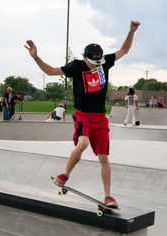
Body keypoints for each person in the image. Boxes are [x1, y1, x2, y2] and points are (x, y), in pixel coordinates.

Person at [25, 20, 140, 208]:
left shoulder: (105, 62)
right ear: (83, 57)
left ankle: (108, 196)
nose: (96, 66)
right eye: (92, 63)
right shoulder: (76, 66)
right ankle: (64, 175)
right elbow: (52, 71)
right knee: (83, 142)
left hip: (100, 118)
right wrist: (36, 58)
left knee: (104, 157)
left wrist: (131, 32)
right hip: (83, 115)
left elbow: (124, 50)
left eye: (98, 63)